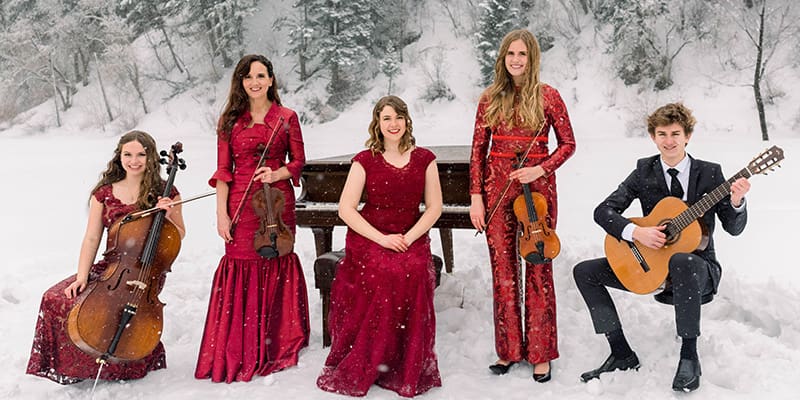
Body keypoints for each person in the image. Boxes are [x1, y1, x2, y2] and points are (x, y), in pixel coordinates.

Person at [573, 103, 750, 392]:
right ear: (653, 137)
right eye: (662, 134)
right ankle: (621, 353)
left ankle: (689, 358)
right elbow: (603, 211)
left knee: (682, 260)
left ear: (687, 136)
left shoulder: (710, 173)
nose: (669, 141)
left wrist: (736, 202)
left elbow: (734, 227)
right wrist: (637, 233)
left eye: (676, 134)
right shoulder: (644, 170)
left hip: (699, 269)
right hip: (651, 265)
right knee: (584, 272)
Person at [26, 130, 185, 384]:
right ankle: (83, 367)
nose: (134, 161)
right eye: (128, 154)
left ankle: (127, 362)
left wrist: (167, 214)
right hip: (112, 269)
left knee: (123, 311)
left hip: (147, 274)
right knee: (56, 299)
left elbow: (179, 234)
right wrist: (81, 277)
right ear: (119, 156)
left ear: (151, 157)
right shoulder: (104, 193)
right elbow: (91, 238)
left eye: (141, 155)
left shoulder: (166, 192)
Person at [316, 95, 443, 397]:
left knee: (412, 270)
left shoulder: (425, 159)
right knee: (384, 273)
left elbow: (435, 208)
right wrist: (382, 239)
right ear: (378, 123)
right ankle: (375, 357)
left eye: (398, 117)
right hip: (370, 237)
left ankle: (401, 361)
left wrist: (409, 237)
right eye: (387, 118)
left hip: (410, 236)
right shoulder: (365, 160)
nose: (393, 124)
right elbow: (346, 209)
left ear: (407, 121)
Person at [469, 29, 576, 382]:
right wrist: (476, 198)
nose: (516, 60)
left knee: (538, 265)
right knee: (502, 269)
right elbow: (477, 152)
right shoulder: (489, 98)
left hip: (538, 188)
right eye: (510, 54)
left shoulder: (548, 96)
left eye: (522, 54)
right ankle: (509, 349)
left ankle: (541, 352)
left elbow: (568, 144)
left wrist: (540, 169)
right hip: (496, 187)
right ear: (503, 58)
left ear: (532, 59)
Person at [196, 54, 309, 383]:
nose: (255, 82)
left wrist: (276, 173)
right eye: (248, 77)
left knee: (275, 260)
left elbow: (298, 162)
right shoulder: (229, 121)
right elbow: (223, 171)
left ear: (271, 80)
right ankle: (241, 346)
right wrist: (221, 214)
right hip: (240, 203)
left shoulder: (287, 118)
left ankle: (275, 341)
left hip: (276, 202)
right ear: (240, 82)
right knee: (240, 262)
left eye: (261, 75)